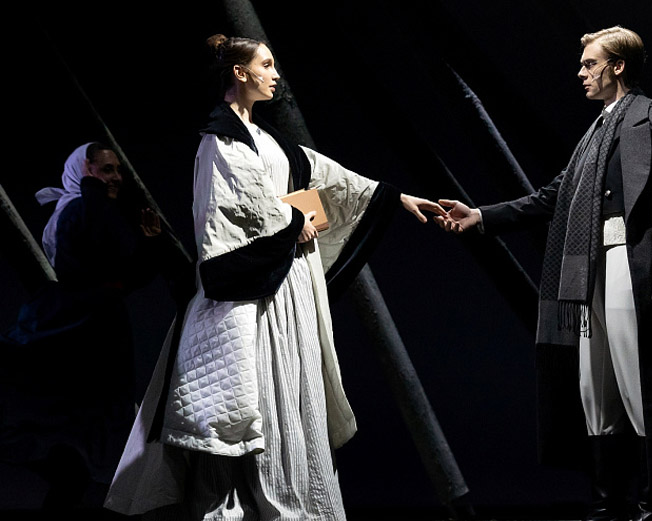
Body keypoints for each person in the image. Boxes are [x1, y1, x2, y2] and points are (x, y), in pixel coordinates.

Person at [102, 34, 445, 520]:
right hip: (254, 290)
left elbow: (326, 175)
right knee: (258, 395)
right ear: (239, 72)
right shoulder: (220, 140)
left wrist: (395, 197)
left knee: (295, 392)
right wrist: (292, 221)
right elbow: (233, 208)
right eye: (266, 64)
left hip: (290, 283)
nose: (275, 74)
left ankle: (302, 501)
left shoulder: (266, 138)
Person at [435, 26, 652, 520]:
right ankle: (609, 501)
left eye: (590, 63)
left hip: (631, 264)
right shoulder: (594, 135)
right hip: (586, 267)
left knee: (637, 379)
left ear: (618, 66)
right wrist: (482, 216)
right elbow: (551, 196)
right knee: (594, 384)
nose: (581, 72)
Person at [0, 141, 176, 511]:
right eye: (106, 169)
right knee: (62, 443)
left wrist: (150, 246)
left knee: (81, 459)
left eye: (118, 170)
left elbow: (123, 276)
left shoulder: (94, 212)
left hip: (98, 337)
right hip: (72, 332)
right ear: (83, 170)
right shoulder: (76, 210)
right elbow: (84, 269)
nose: (117, 178)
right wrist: (91, 189)